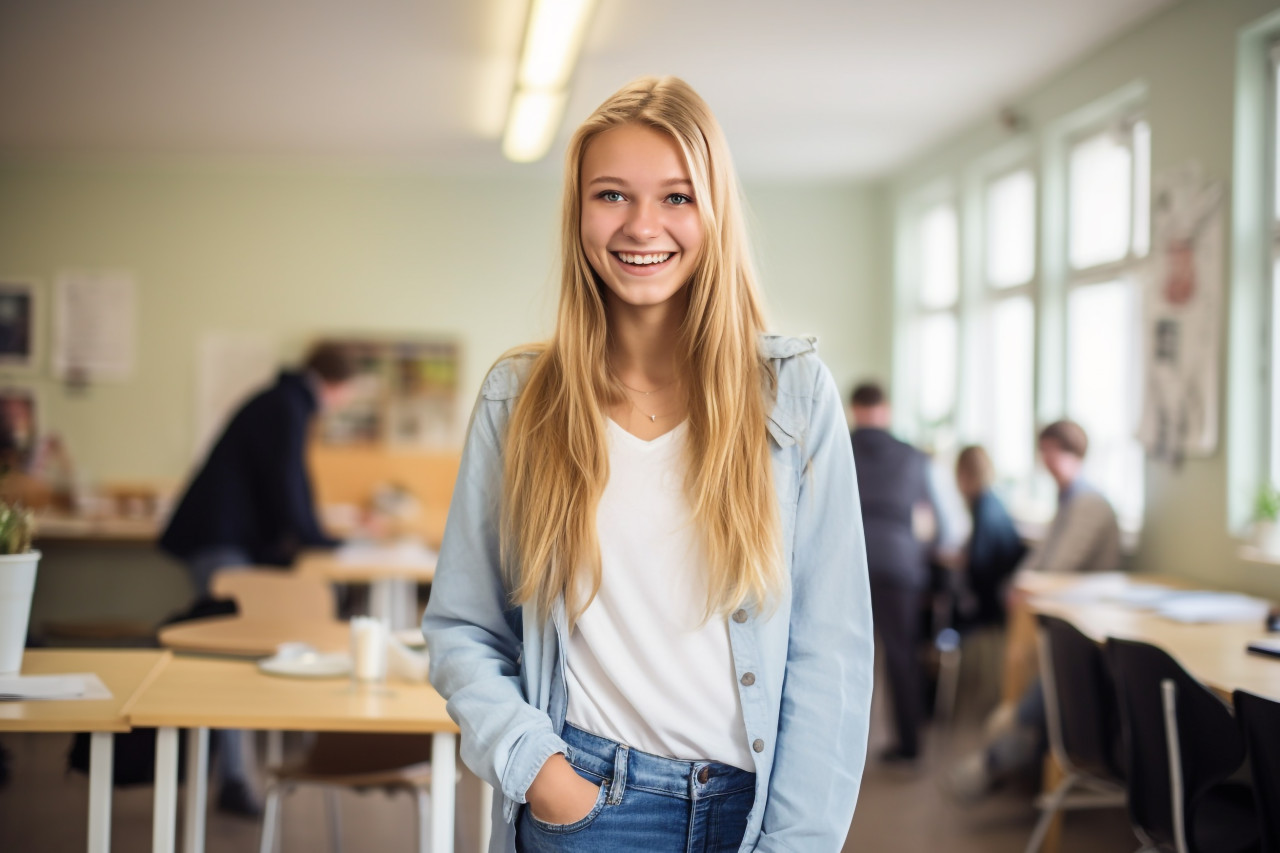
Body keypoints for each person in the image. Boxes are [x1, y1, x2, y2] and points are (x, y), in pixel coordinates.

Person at [422, 77, 873, 852]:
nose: (641, 226)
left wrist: (798, 840)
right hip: (590, 800)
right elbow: (463, 626)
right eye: (611, 195)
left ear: (714, 212)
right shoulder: (519, 399)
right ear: (579, 213)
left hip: (754, 810)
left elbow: (830, 649)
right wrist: (542, 773)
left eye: (675, 197)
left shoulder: (791, 397)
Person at [159, 342, 356, 815]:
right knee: (231, 655)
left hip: (225, 538)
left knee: (234, 653)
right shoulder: (287, 406)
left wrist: (313, 535)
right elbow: (288, 484)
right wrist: (317, 538)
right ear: (336, 384)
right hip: (218, 539)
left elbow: (289, 483)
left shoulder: (282, 401)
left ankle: (233, 776)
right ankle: (234, 780)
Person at [947, 419, 1122, 800]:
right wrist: (1016, 584)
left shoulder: (1088, 503)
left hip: (1083, 626)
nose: (1044, 460)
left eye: (1049, 451)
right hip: (1061, 621)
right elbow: (1041, 558)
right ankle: (1002, 757)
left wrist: (1020, 585)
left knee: (1052, 684)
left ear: (1070, 452)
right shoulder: (1069, 499)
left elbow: (1057, 565)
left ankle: (996, 760)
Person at [848, 382, 941, 766]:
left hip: (848, 561)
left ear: (854, 409)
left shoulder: (838, 446)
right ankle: (909, 746)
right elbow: (936, 523)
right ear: (885, 410)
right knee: (902, 655)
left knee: (845, 658)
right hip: (899, 563)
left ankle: (843, 751)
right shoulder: (913, 456)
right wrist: (920, 558)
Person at [954, 445, 1026, 627]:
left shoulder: (984, 509)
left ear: (964, 474)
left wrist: (962, 560)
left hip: (992, 603)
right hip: (999, 592)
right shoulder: (993, 501)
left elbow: (979, 567)